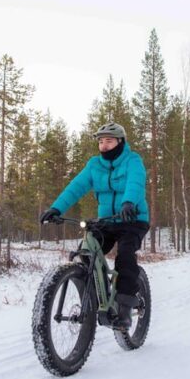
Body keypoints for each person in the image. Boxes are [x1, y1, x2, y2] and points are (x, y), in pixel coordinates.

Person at [39, 122, 149, 331]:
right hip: (107, 221)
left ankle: (124, 308)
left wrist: (129, 202)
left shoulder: (132, 160)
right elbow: (76, 187)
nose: (104, 145)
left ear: (120, 142)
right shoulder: (94, 165)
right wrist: (56, 208)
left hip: (132, 218)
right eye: (101, 141)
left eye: (109, 141)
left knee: (125, 255)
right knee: (86, 252)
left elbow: (136, 182)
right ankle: (93, 298)